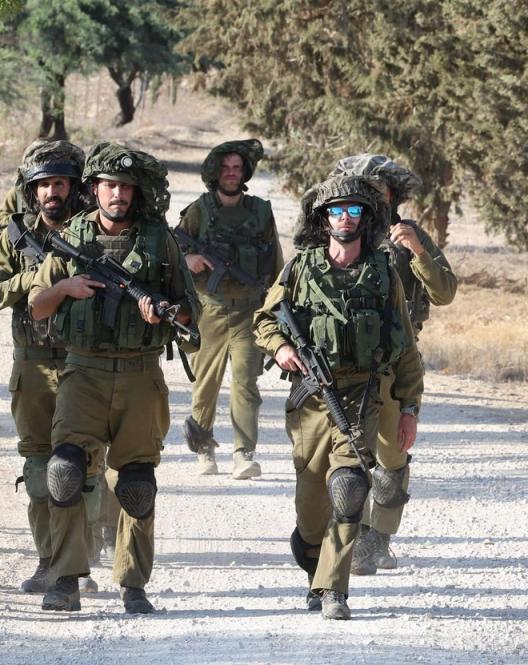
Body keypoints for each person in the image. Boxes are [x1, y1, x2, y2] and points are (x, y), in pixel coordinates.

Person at [28, 142, 199, 614]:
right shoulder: (72, 236)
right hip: (83, 370)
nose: (117, 194)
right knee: (64, 471)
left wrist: (161, 313)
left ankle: (133, 583)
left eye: (125, 187)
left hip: (141, 374)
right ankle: (65, 579)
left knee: (137, 484)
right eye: (108, 185)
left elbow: (190, 310)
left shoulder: (157, 239)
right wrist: (64, 287)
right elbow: (37, 305)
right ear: (94, 189)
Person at [253, 174, 424, 620]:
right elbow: (264, 321)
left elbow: (404, 345)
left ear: (365, 219)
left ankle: (334, 591)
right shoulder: (300, 268)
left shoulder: (384, 273)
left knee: (348, 489)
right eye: (336, 211)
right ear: (324, 218)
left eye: (353, 211)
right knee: (311, 504)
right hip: (310, 400)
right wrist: (283, 348)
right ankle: (314, 559)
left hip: (363, 396)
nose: (344, 218)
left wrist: (408, 408)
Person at [330, 154, 457, 574]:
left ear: (393, 195)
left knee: (393, 454)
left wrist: (418, 250)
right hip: (348, 360)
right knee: (350, 450)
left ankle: (380, 536)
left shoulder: (410, 236)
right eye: (365, 189)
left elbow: (444, 293)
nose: (373, 197)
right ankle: (353, 534)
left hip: (400, 359)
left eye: (381, 189)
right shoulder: (340, 233)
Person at [0, 140, 87, 593]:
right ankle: (49, 560)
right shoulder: (16, 236)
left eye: (60, 183)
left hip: (84, 363)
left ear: (73, 187)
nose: (51, 193)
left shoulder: (90, 230)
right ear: (32, 190)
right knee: (41, 471)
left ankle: (78, 558)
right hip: (33, 364)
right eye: (43, 185)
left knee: (83, 470)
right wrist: (34, 279)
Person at [176, 139, 283, 479]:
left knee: (246, 383)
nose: (232, 174)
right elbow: (171, 249)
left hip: (250, 311)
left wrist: (277, 308)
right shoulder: (198, 210)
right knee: (205, 383)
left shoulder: (261, 211)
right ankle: (203, 447)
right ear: (214, 172)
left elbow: (276, 264)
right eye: (226, 168)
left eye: (237, 168)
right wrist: (188, 259)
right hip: (209, 310)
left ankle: (243, 452)